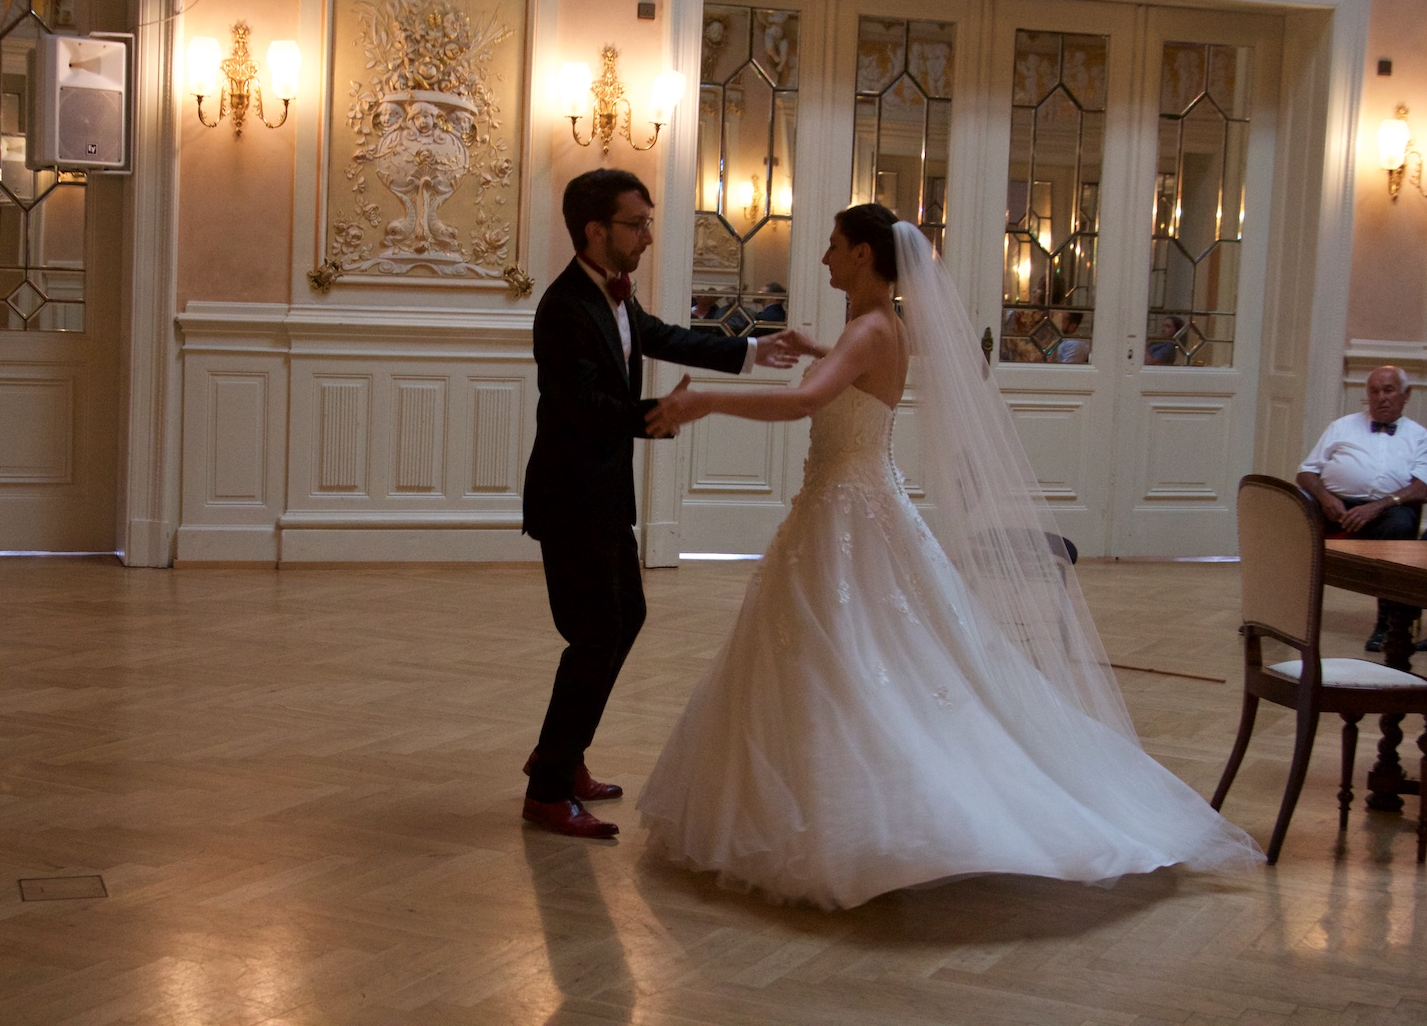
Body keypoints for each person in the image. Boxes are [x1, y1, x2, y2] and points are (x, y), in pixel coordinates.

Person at [636, 204, 1260, 908]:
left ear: (864, 254)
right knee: (858, 652)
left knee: (844, 653)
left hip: (846, 512)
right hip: (856, 503)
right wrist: (815, 349)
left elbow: (807, 403)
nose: (825, 258)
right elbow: (848, 377)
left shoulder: (870, 330)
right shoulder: (882, 328)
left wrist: (705, 402)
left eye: (834, 245)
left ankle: (858, 817)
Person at [520, 168, 809, 839]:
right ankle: (547, 789)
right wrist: (664, 413)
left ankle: (561, 754)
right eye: (637, 224)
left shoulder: (611, 295)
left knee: (626, 617)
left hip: (601, 494)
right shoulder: (564, 308)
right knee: (596, 634)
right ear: (596, 230)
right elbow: (583, 407)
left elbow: (666, 336)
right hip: (571, 498)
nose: (648, 237)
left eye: (647, 223)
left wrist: (752, 350)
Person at [1296, 365, 1427, 652]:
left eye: (1389, 390)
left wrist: (1376, 507)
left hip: (1389, 509)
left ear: (1405, 394)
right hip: (1334, 506)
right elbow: (1306, 472)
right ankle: (1274, 613)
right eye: (1374, 391)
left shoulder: (1420, 437)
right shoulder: (1342, 426)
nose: (1381, 397)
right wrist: (1325, 498)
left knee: (1399, 525)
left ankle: (1389, 625)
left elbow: (1422, 489)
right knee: (1286, 519)